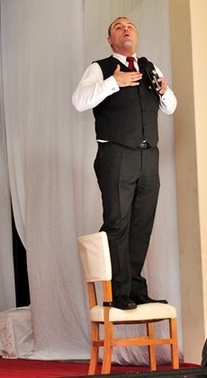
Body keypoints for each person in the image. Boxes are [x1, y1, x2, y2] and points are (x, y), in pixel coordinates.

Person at [72, 17, 177, 310]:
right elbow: (79, 101)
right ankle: (117, 293)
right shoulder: (100, 68)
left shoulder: (149, 67)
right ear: (110, 40)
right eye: (118, 27)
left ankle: (136, 288)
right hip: (116, 154)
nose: (126, 29)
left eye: (130, 26)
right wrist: (113, 83)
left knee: (142, 223)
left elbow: (170, 108)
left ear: (137, 35)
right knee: (117, 223)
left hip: (148, 156)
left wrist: (164, 91)